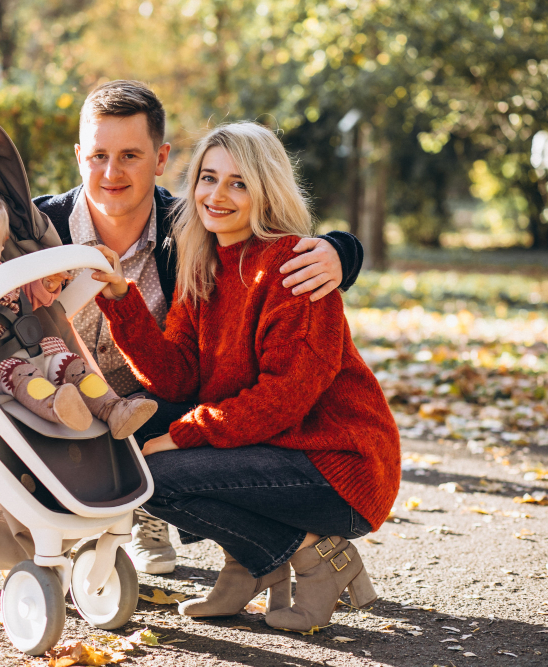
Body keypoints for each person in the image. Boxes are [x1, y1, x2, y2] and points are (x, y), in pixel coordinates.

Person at [34, 80, 365, 574]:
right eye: (99, 155)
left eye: (130, 155)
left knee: (154, 456)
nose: (111, 172)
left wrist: (341, 250)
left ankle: (155, 517)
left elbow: (268, 240)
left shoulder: (187, 227)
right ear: (79, 155)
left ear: (161, 158)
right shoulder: (40, 228)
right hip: (59, 389)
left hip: (163, 403)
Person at [90, 121, 400, 633]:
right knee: (134, 444)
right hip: (278, 447)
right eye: (208, 178)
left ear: (266, 190)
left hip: (338, 464)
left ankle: (317, 557)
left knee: (151, 476)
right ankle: (252, 564)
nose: (217, 195)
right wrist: (122, 302)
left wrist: (182, 436)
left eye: (238, 183)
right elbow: (176, 379)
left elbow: (282, 399)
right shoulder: (205, 263)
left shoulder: (293, 268)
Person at [0, 186, 158, 439]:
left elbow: (33, 296)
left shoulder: (8, 274)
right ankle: (59, 407)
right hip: (3, 365)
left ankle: (115, 409)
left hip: (44, 349)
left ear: (1, 249)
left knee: (75, 367)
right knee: (24, 376)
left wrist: (48, 284)